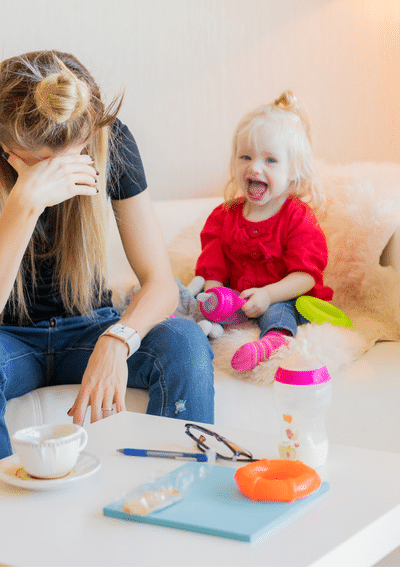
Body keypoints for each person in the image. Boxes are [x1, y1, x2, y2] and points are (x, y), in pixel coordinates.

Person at [0, 50, 214, 459]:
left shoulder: (110, 140)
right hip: (9, 338)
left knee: (185, 343)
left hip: (88, 327)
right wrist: (25, 203)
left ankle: (171, 494)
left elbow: (160, 284)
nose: (56, 176)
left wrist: (118, 339)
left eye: (67, 162)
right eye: (40, 165)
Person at [195, 91, 332, 372]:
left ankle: (275, 340)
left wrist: (269, 294)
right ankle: (196, 325)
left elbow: (306, 276)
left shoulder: (297, 217)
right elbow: (214, 268)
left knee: (279, 312)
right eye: (245, 156)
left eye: (270, 160)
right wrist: (215, 297)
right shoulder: (224, 216)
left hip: (282, 296)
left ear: (293, 170)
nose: (254, 167)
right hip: (241, 298)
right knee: (198, 300)